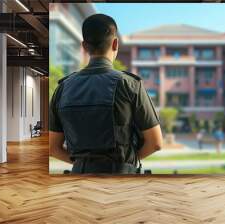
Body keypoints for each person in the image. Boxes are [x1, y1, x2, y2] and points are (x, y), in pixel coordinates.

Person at [49, 14, 163, 174]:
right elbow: (156, 143)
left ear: (84, 46)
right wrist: (127, 163)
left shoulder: (62, 88)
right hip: (121, 180)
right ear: (115, 43)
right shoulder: (129, 84)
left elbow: (53, 148)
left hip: (78, 179)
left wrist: (83, 164)